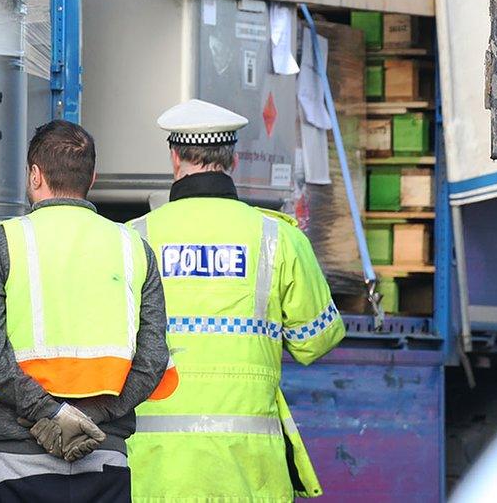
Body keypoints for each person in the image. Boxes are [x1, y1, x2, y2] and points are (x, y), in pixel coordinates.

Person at [127, 99, 346, 502]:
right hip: (249, 472)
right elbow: (316, 340)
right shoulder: (278, 238)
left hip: (156, 471)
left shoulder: (132, 239)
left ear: (175, 159)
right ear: (235, 160)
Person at [0, 120, 178, 502]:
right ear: (92, 177)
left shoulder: (6, 240)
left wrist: (51, 415)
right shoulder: (133, 247)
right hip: (104, 459)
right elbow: (153, 358)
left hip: (16, 461)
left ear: (35, 176)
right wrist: (94, 417)